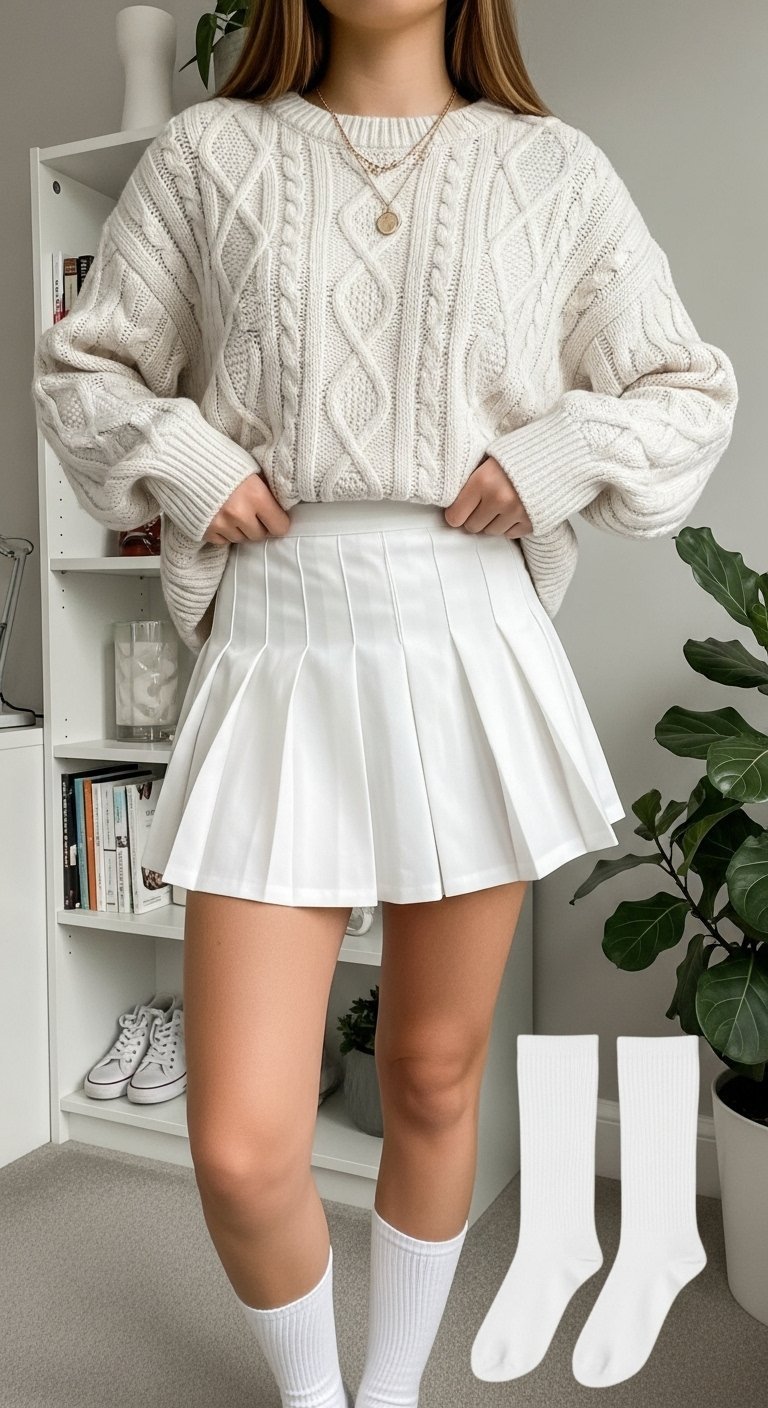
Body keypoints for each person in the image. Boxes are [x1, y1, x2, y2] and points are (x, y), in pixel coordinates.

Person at [30, 2, 738, 1404]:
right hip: (279, 628)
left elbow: (686, 390)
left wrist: (558, 450)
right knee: (239, 1139)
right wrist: (179, 451)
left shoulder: (553, 167)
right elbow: (85, 363)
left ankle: (388, 1391)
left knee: (428, 1076)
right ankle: (314, 1393)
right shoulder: (207, 151)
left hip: (467, 634)